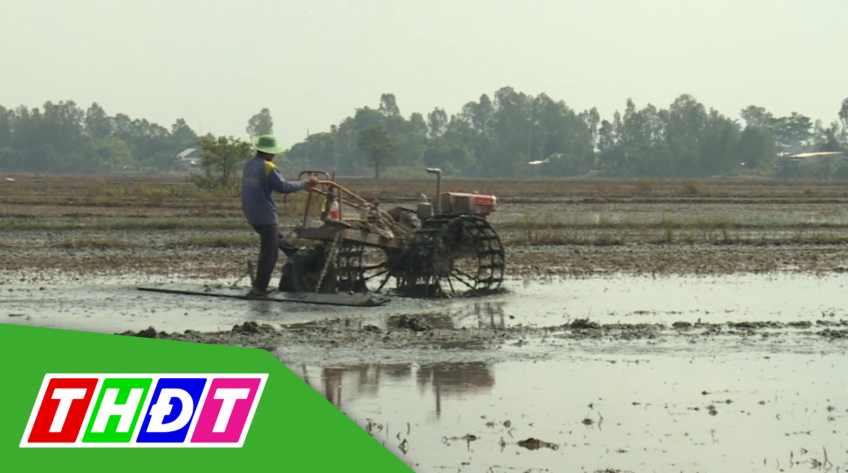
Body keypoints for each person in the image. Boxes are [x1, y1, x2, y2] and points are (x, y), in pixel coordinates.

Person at [241, 134, 319, 296]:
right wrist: (306, 183)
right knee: (270, 252)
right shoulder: (268, 166)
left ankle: (296, 254)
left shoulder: (249, 165)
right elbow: (283, 186)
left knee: (276, 239)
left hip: (251, 212)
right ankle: (259, 288)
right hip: (265, 213)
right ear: (269, 152)